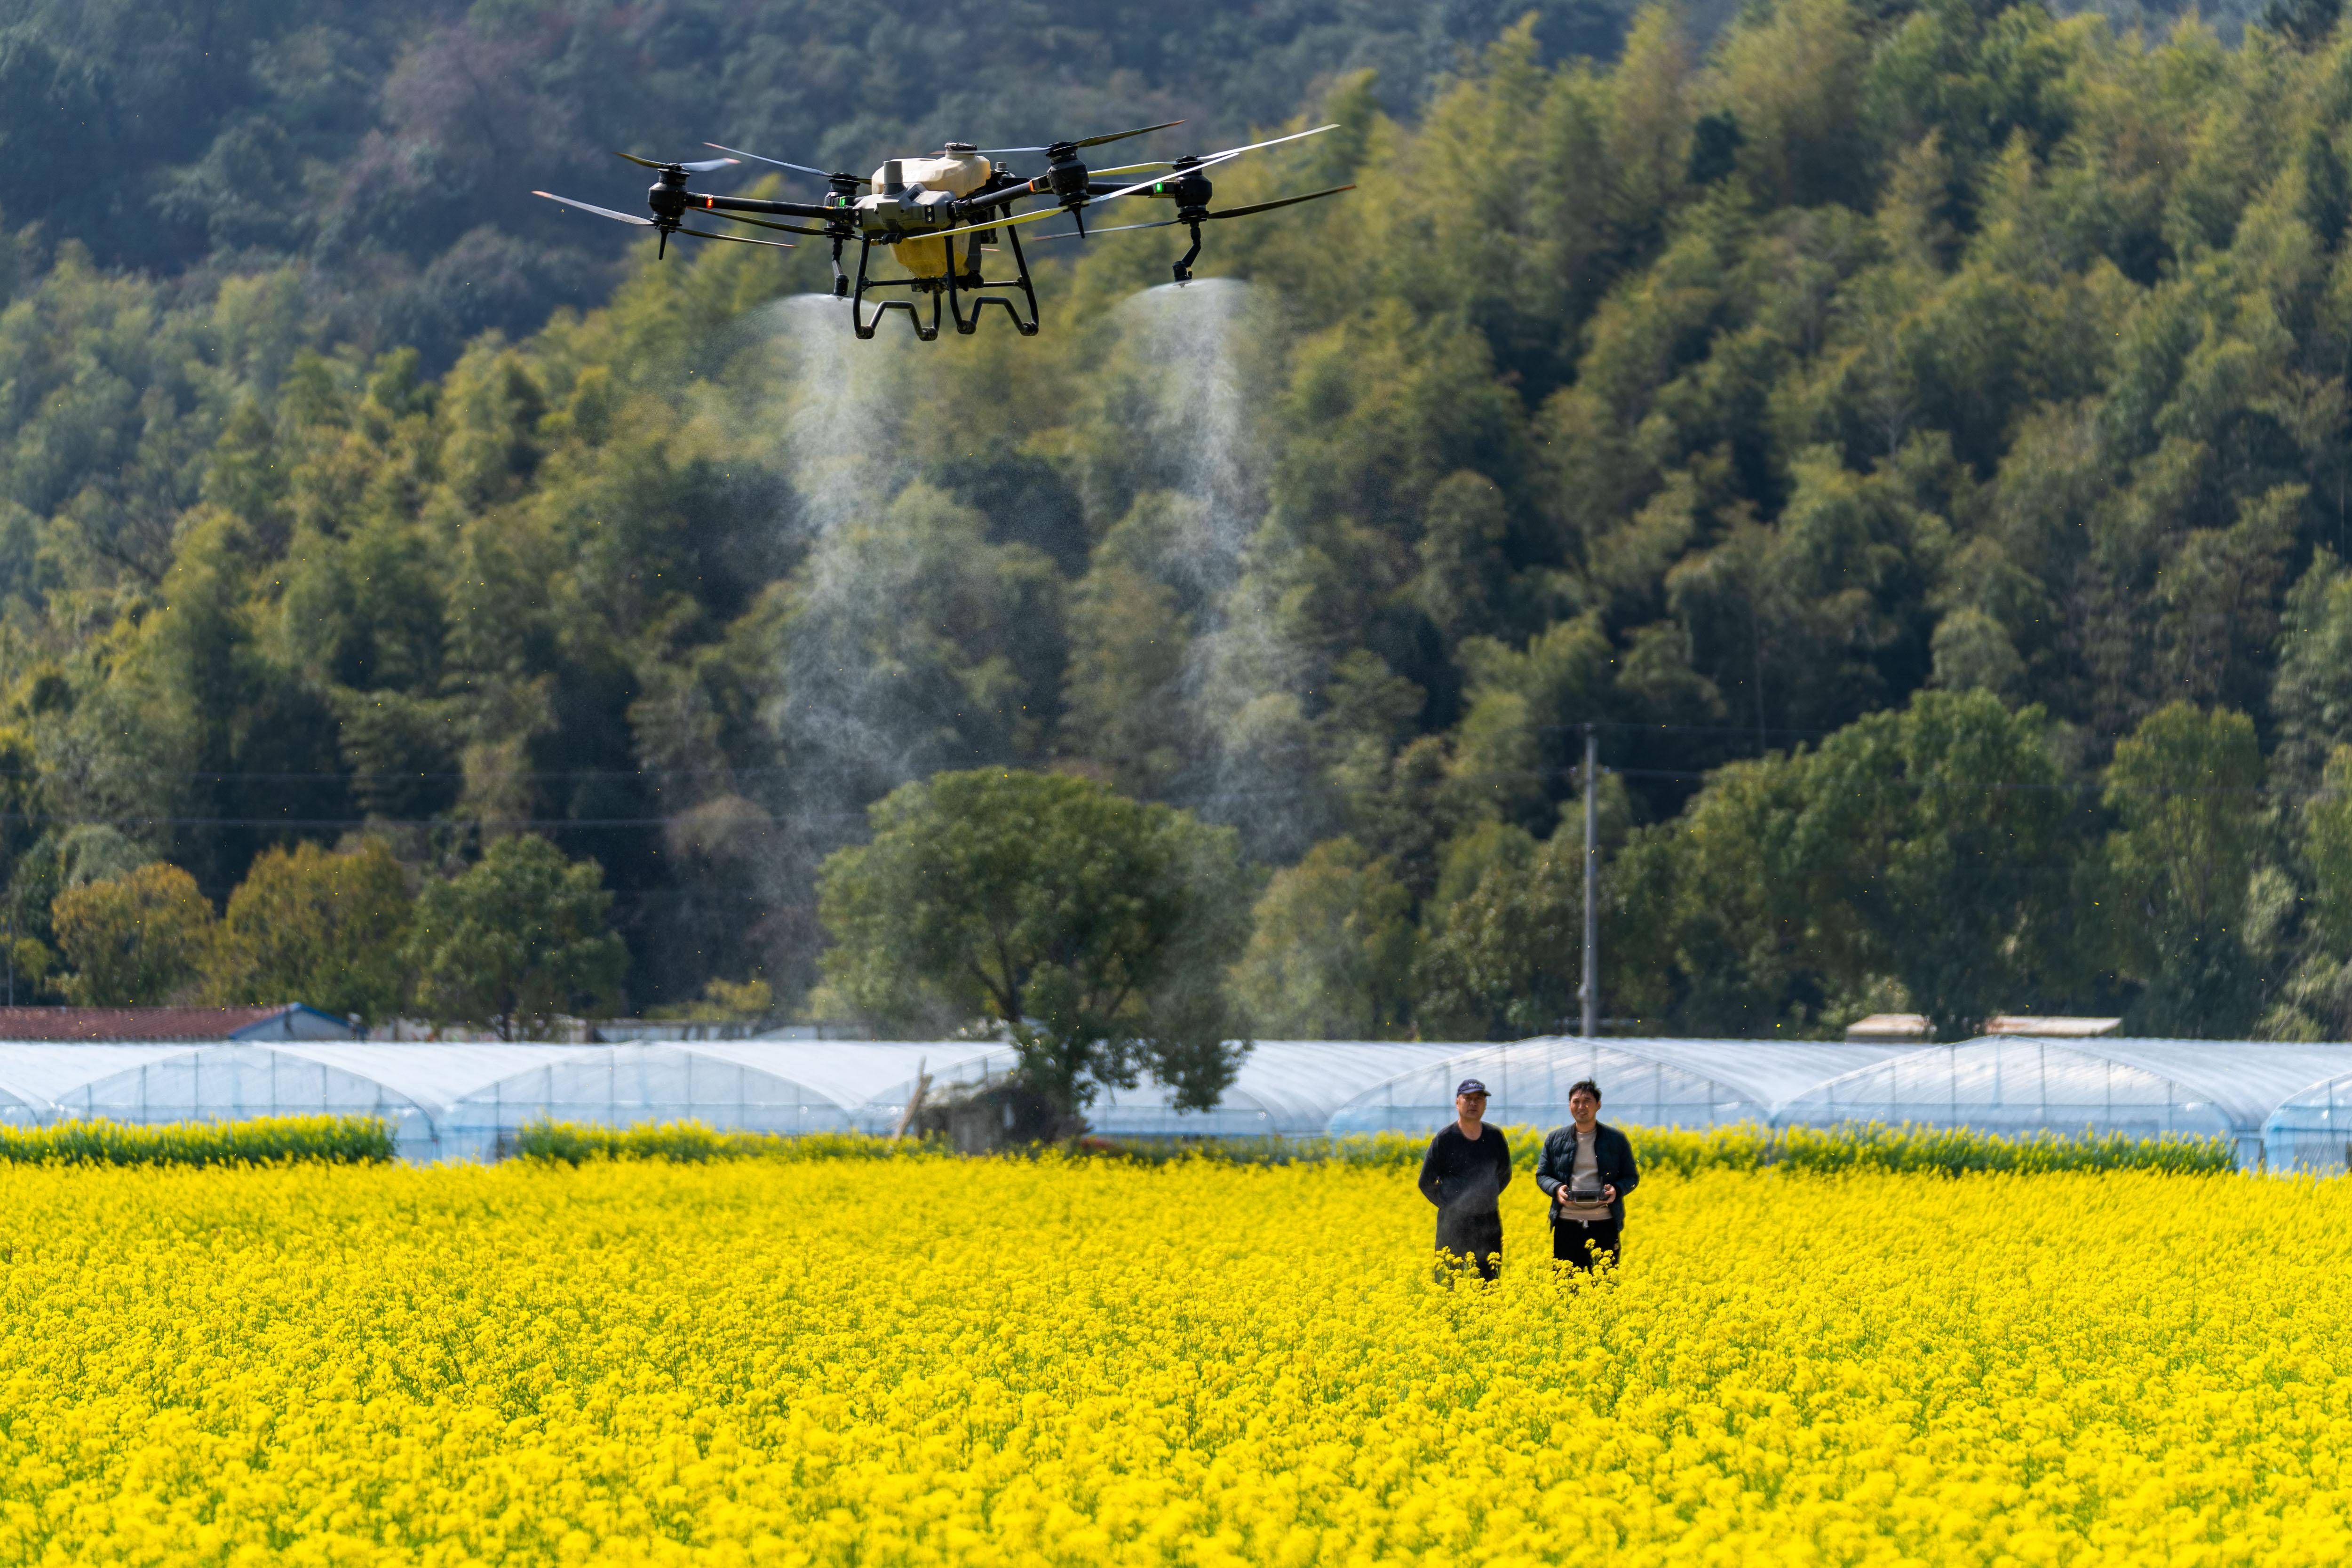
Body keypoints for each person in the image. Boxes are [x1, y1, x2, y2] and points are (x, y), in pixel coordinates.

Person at [1534, 1078, 1638, 1272]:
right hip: (1567, 1223)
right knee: (1565, 1289)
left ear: (1598, 1105)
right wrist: (1557, 1189)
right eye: (1576, 1102)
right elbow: (1542, 1175)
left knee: (1604, 1286)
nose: (1581, 1106)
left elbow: (1631, 1177)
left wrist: (1617, 1189)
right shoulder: (1555, 1139)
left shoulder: (1616, 1140)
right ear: (1570, 1106)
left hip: (1604, 1223)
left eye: (1587, 1101)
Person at [1417, 1078, 1511, 1281]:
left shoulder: (1495, 1137)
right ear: (1457, 1103)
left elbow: (1505, 1174)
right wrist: (1452, 1205)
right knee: (1447, 1282)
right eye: (1467, 1099)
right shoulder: (1444, 1139)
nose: (1473, 1104)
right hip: (1453, 1224)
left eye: (1479, 1099)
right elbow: (1425, 1182)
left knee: (1489, 1284)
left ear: (1485, 1105)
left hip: (1488, 1221)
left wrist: (1484, 1196)